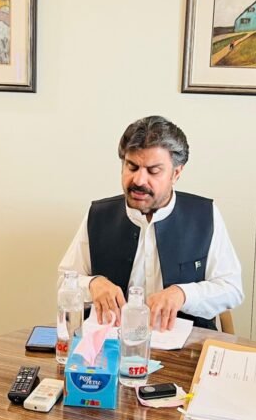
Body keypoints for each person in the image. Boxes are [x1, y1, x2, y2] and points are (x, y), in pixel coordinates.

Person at [58, 115, 243, 331]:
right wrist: (92, 284)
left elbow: (231, 288)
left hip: (188, 344)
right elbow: (64, 282)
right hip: (112, 344)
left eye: (153, 171)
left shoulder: (204, 215)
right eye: (132, 167)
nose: (139, 180)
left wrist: (183, 294)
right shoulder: (99, 215)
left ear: (176, 173)